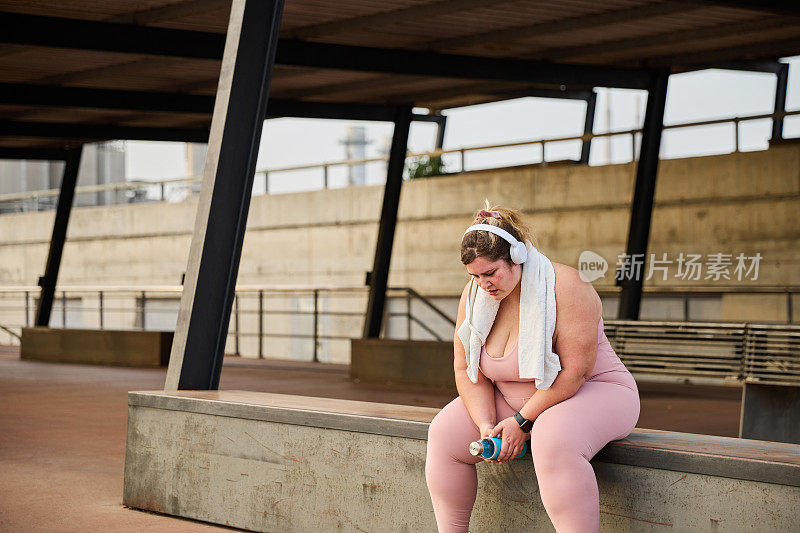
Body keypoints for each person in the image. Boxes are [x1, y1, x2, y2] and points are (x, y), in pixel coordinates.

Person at [425, 203, 640, 532]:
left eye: (491, 273)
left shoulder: (568, 286)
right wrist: (486, 425)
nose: (483, 284)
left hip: (593, 392)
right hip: (514, 403)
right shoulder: (474, 296)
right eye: (475, 276)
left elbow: (575, 372)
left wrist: (522, 422)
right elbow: (466, 371)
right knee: (443, 433)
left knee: (552, 437)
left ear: (517, 257)